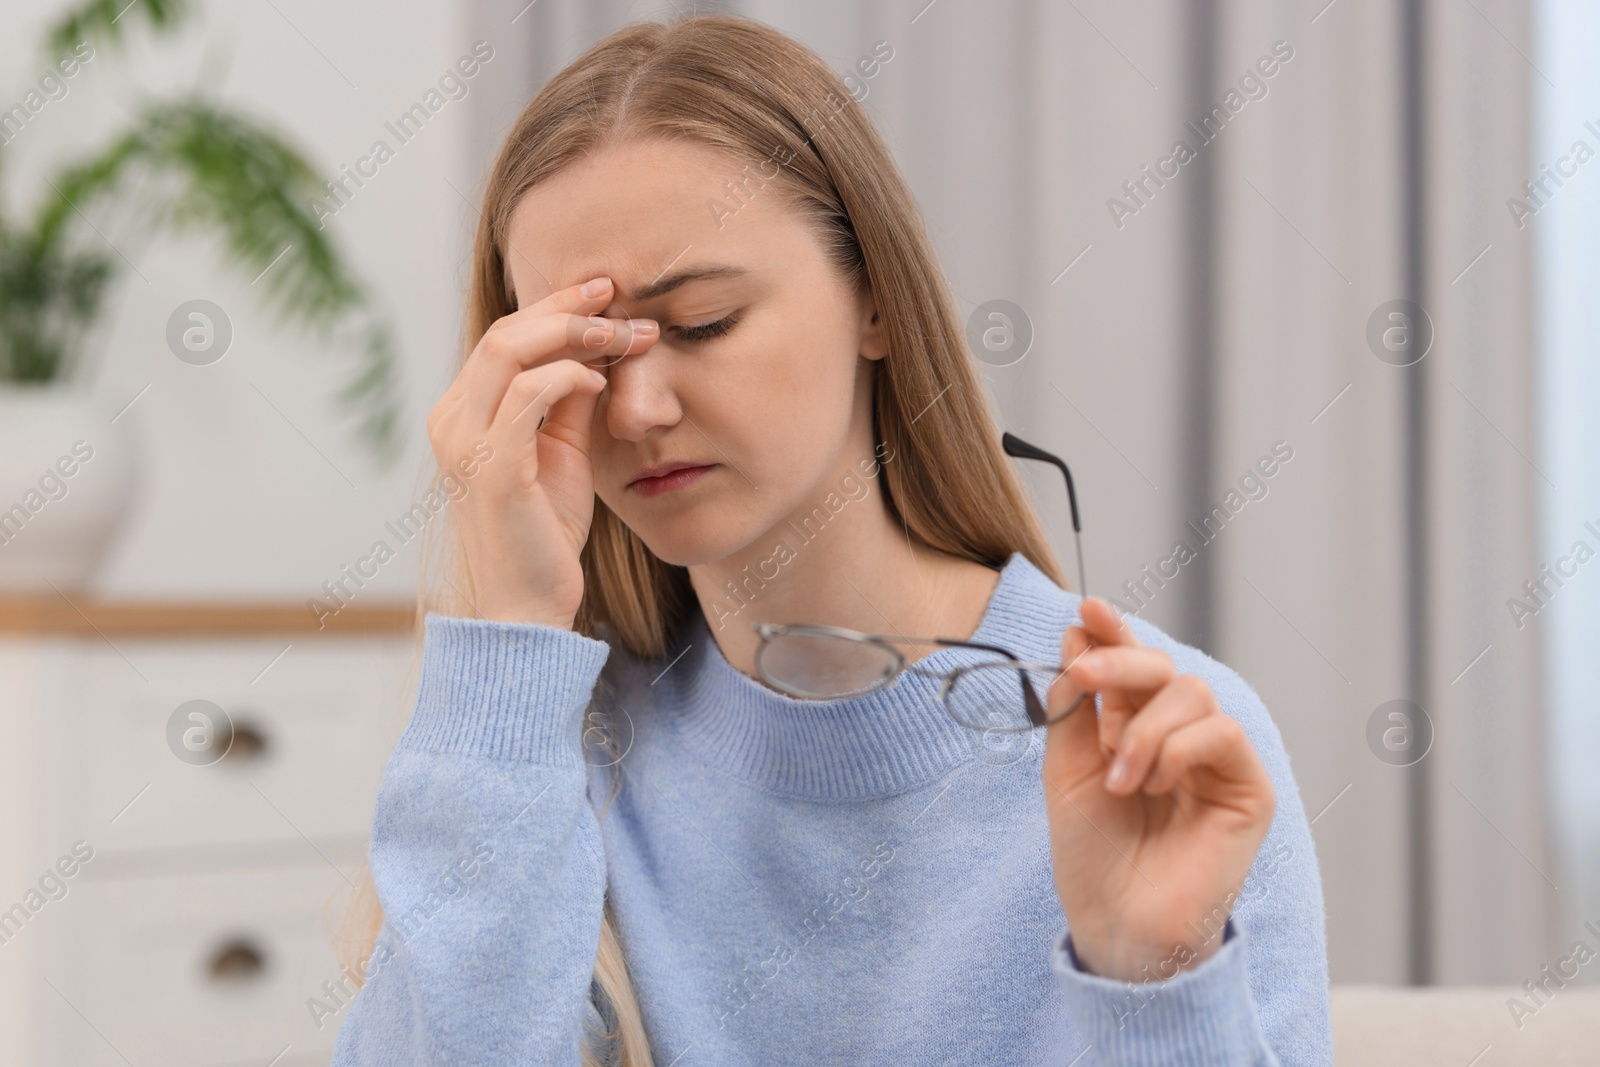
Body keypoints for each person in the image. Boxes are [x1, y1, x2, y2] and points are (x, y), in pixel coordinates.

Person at [331, 13, 1332, 1065]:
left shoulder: (1162, 756)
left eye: (704, 321)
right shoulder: (545, 751)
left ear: (875, 303)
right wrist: (507, 642)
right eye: (584, 357)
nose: (635, 410)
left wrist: (1154, 984)